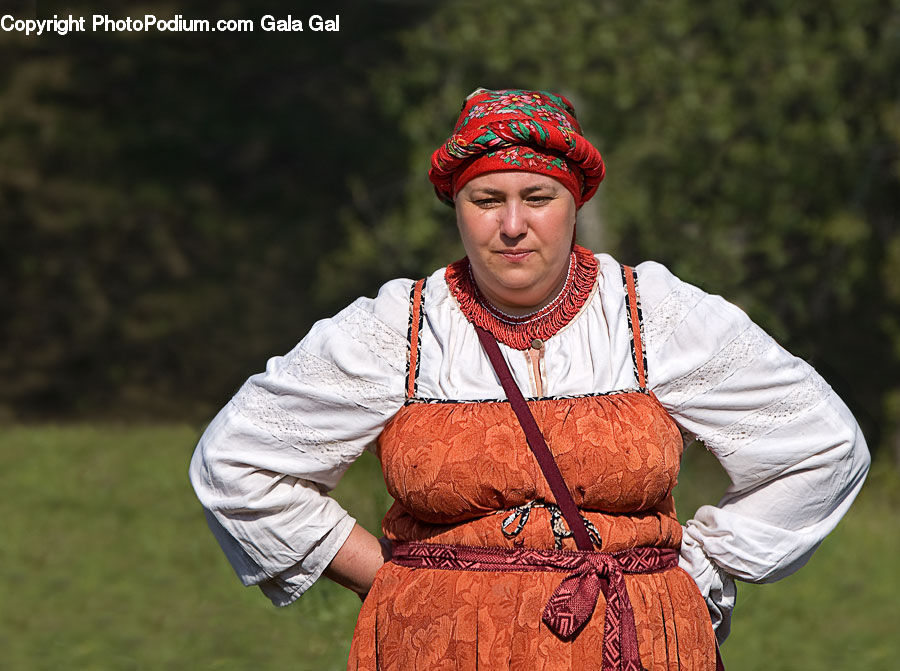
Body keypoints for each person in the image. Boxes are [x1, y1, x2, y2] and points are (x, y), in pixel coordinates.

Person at [189, 88, 870, 670]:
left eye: (536, 197)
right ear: (458, 206)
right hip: (439, 648)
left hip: (638, 642)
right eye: (488, 199)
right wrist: (390, 576)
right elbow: (237, 462)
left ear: (573, 202)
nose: (512, 225)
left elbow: (821, 445)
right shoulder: (397, 327)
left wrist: (704, 562)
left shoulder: (652, 314)